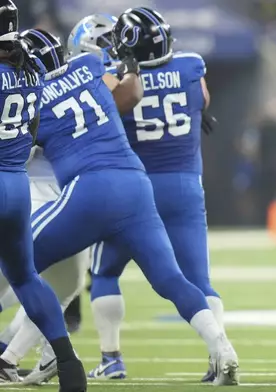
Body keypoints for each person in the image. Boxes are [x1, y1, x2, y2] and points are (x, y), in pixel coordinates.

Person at [0, 25, 238, 386]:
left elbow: (22, 147)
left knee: (21, 265)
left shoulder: (35, 94)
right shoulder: (91, 65)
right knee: (170, 279)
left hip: (89, 191)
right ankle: (222, 348)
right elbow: (125, 87)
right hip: (135, 184)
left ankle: (43, 354)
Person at [85, 7, 236, 384]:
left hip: (136, 189)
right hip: (185, 185)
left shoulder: (116, 77)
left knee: (104, 272)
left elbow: (106, 116)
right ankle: (219, 354)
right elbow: (202, 100)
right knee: (199, 280)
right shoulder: (191, 64)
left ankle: (111, 358)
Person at [0, 2, 86, 390]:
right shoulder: (32, 72)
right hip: (17, 186)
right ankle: (68, 365)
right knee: (27, 279)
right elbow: (33, 129)